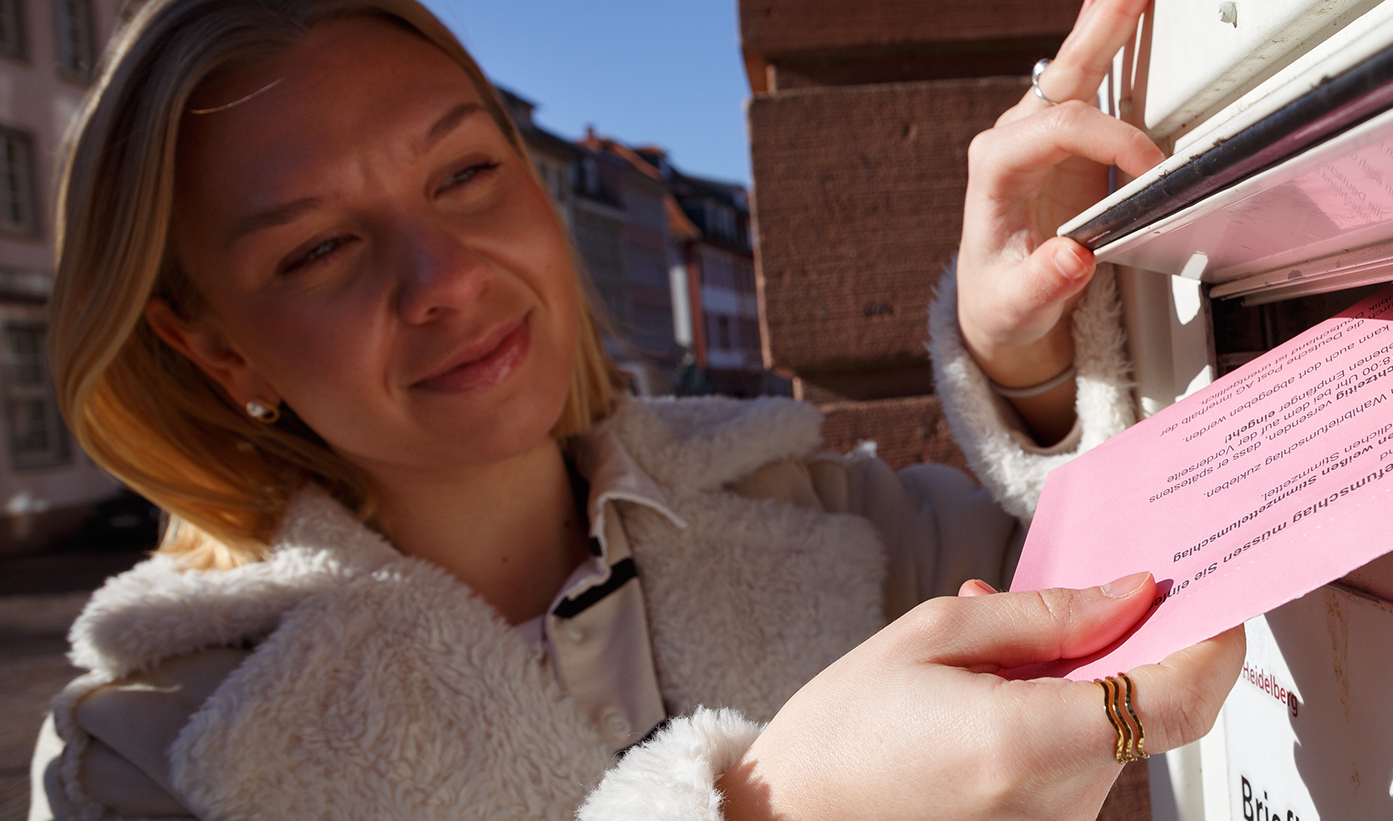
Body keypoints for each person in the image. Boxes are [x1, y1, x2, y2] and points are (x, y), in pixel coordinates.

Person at [29, 0, 1243, 818]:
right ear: (206, 341)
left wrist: (1028, 356)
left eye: (466, 172)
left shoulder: (832, 510)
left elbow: (1140, 573)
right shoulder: (141, 753)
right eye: (318, 249)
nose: (447, 277)